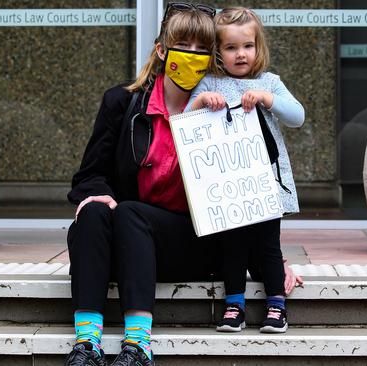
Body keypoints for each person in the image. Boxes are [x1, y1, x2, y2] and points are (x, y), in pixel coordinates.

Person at [65, 3, 300, 365]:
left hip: (191, 244)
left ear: (212, 57)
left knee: (130, 213)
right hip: (127, 244)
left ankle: (138, 344)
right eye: (183, 47)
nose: (192, 57)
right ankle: (86, 344)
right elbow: (88, 176)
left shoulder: (223, 108)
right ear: (162, 50)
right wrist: (99, 196)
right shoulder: (122, 103)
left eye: (201, 50)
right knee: (97, 212)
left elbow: (240, 189)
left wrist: (271, 258)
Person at [186, 7, 305, 334]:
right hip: (227, 185)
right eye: (231, 47)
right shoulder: (210, 83)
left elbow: (298, 116)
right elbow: (182, 121)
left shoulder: (270, 82)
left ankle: (277, 305)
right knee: (233, 244)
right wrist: (200, 102)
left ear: (258, 47)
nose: (241, 54)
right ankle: (234, 305)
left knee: (269, 245)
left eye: (248, 46)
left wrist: (268, 98)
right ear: (218, 52)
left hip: (264, 182)